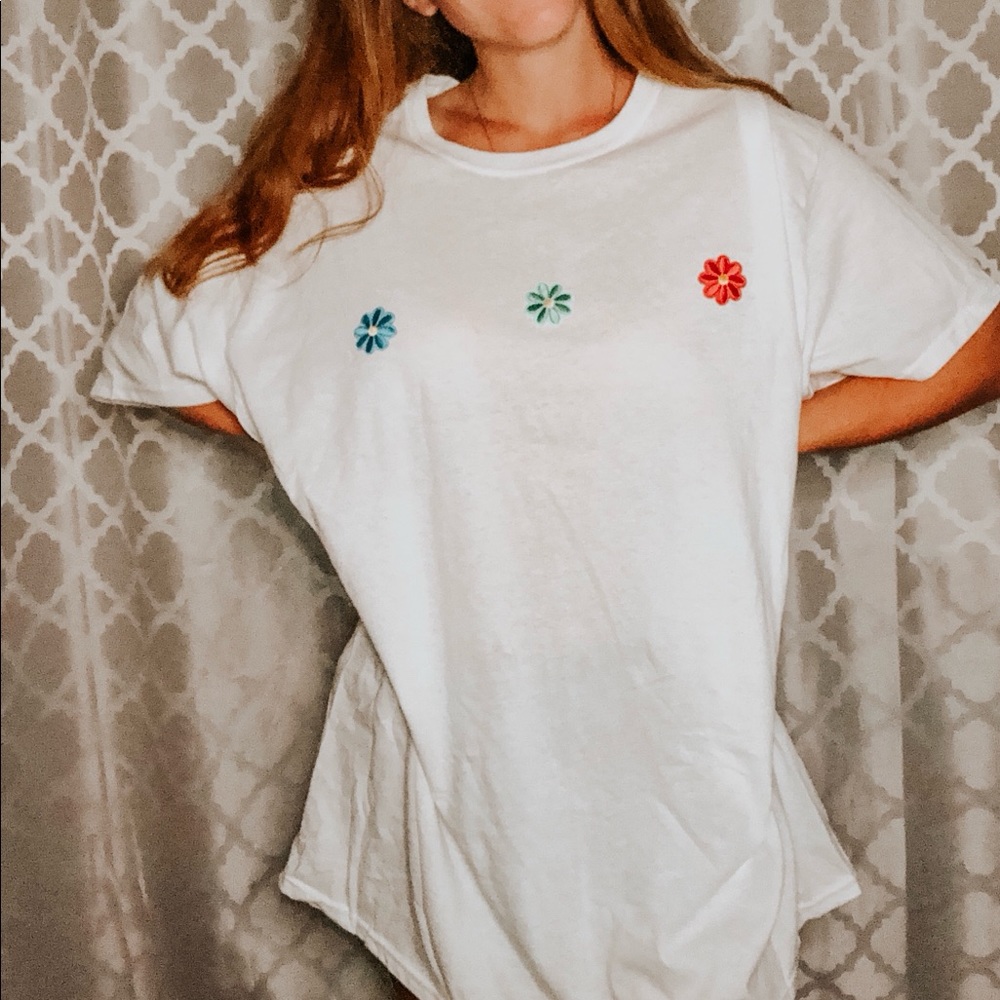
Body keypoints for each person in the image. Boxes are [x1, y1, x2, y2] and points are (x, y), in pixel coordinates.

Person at [91, 1, 1000, 998]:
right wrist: (372, 446)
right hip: (451, 735)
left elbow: (971, 342)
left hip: (684, 728)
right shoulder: (352, 179)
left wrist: (730, 428)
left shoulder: (741, 150)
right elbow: (166, 348)